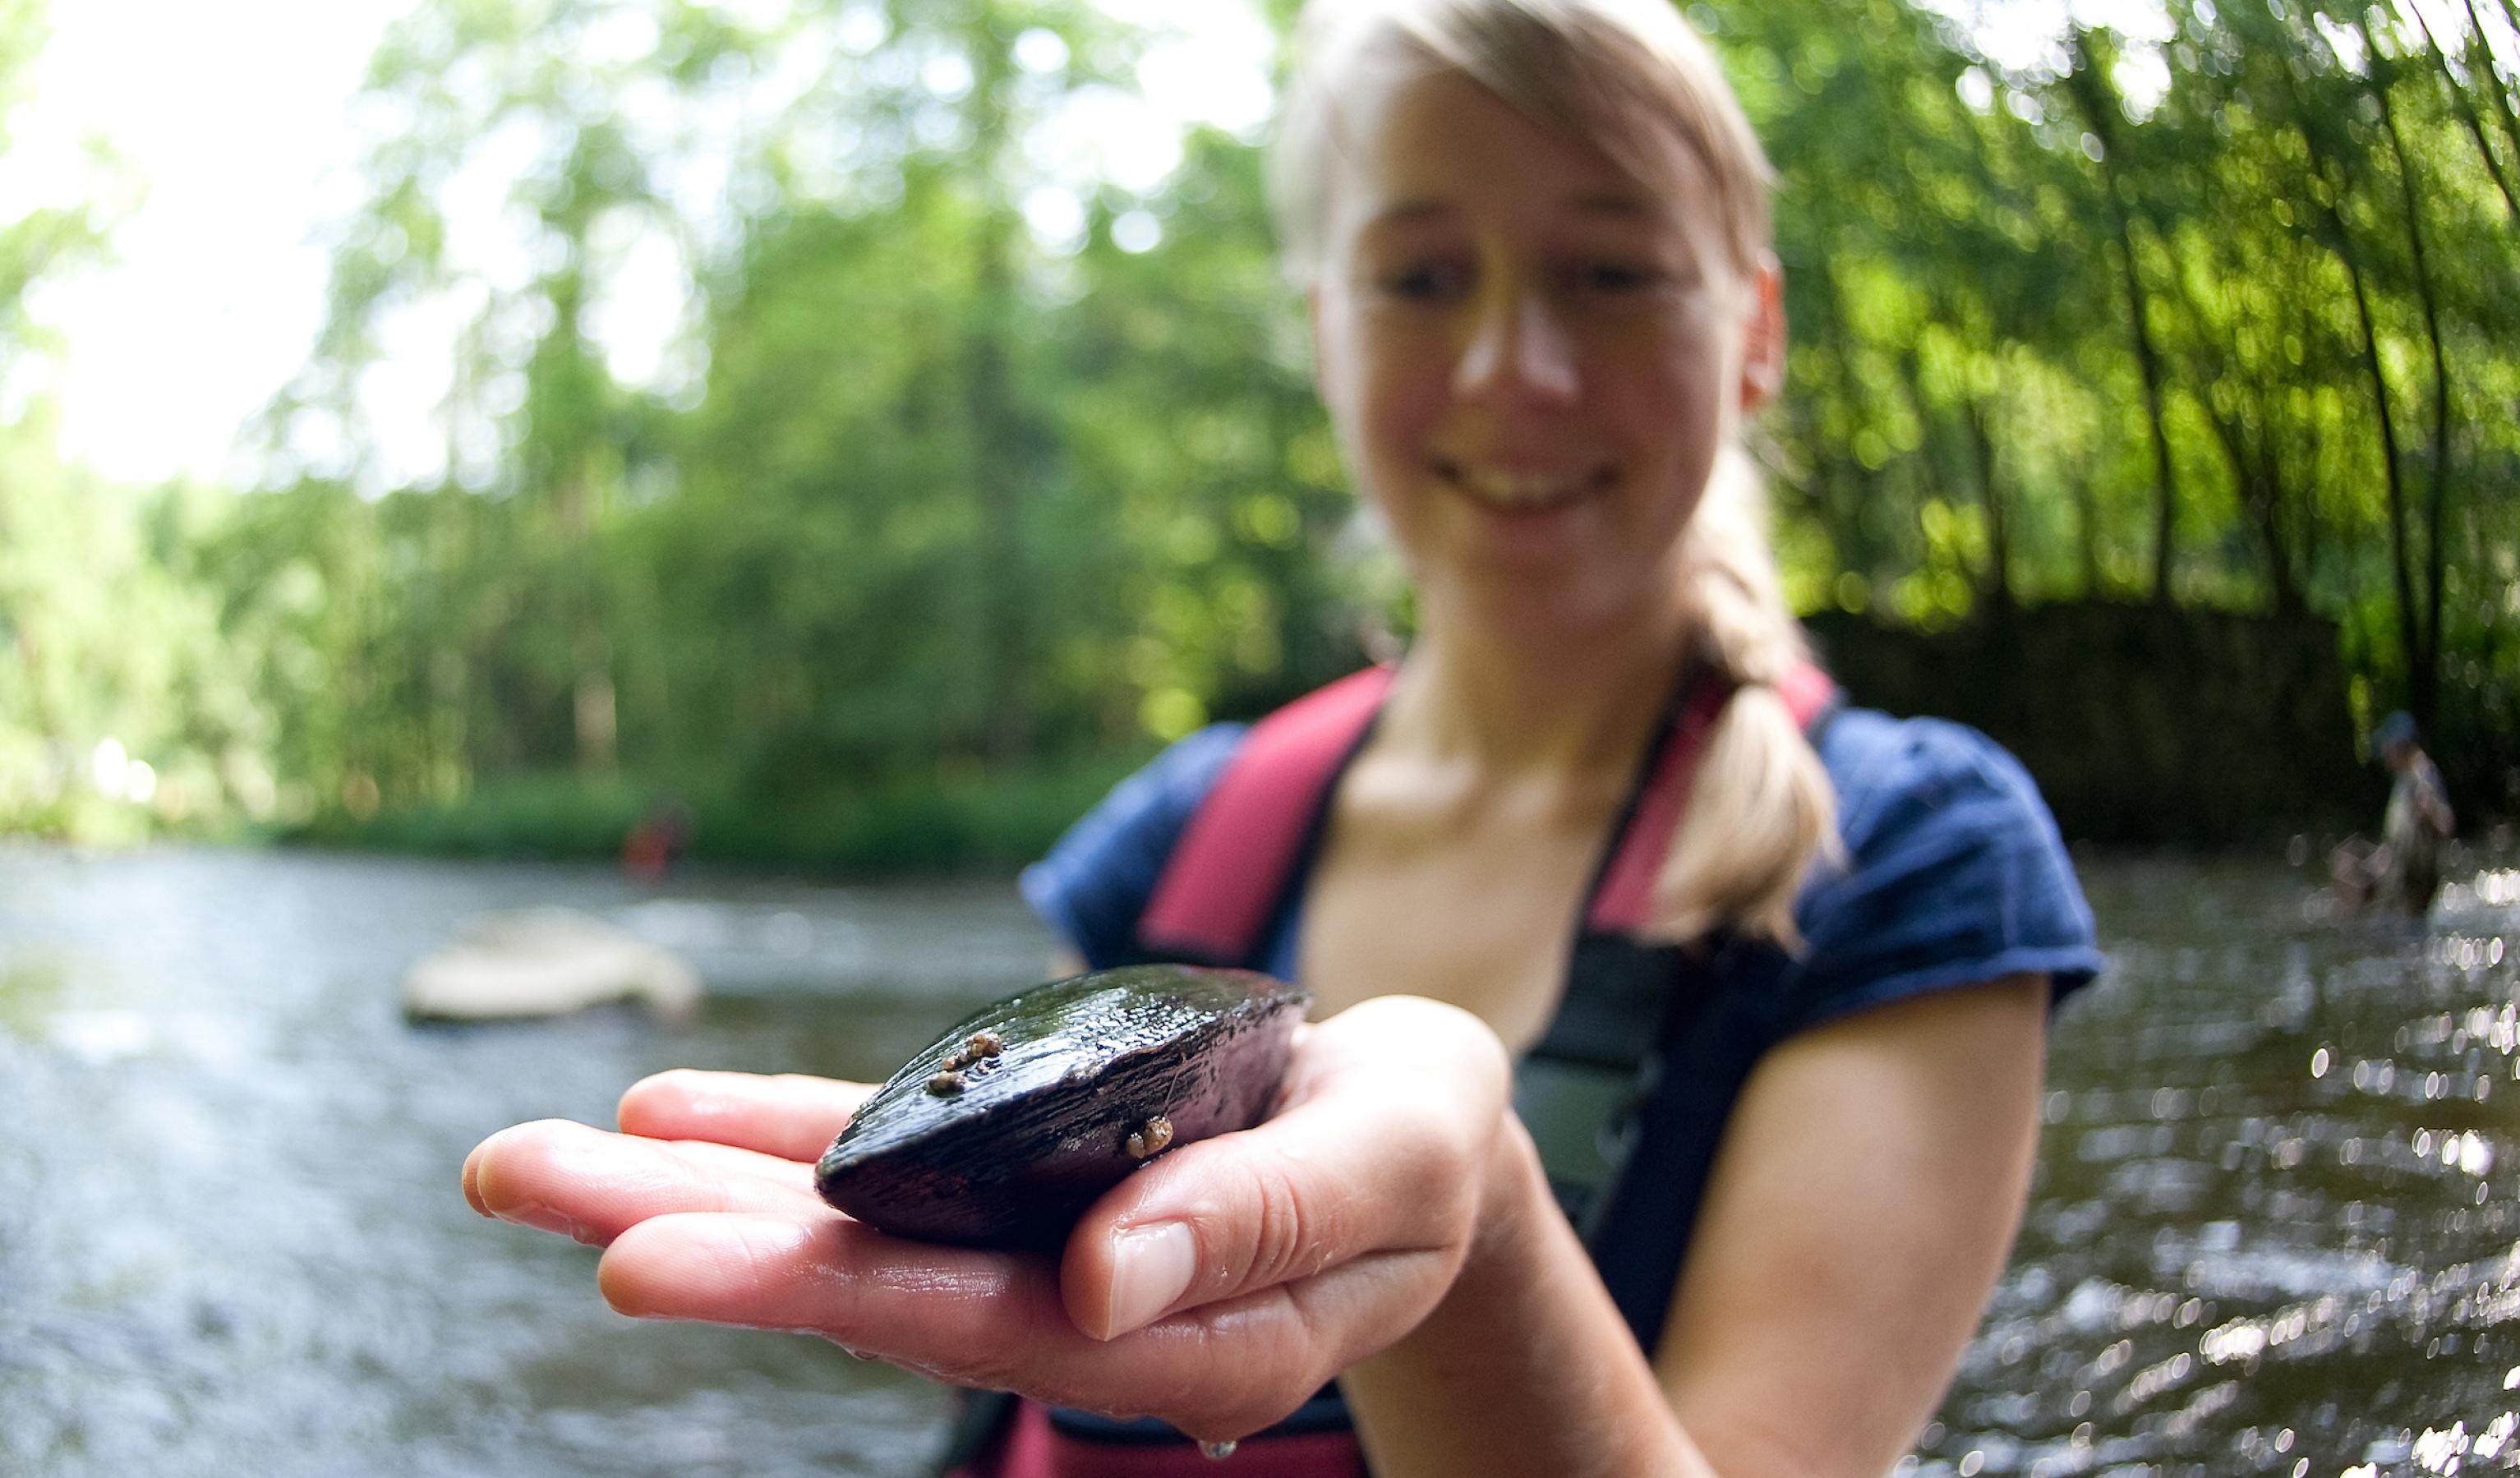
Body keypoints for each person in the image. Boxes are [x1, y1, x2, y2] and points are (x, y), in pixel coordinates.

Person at [458, 2, 2102, 1472]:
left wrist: (1471, 1242)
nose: (1510, 366)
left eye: (1609, 271)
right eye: (1418, 276)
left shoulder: (1912, 859)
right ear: (1323, 327)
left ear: (1751, 328)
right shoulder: (1181, 829)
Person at [2333, 711, 2453, 917]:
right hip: (2401, 876)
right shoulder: (2404, 777)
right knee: (2345, 861)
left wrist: (2429, 810)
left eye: (2388, 745)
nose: (2385, 752)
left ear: (2400, 745)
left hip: (2413, 880)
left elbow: (2444, 822)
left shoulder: (2421, 774)